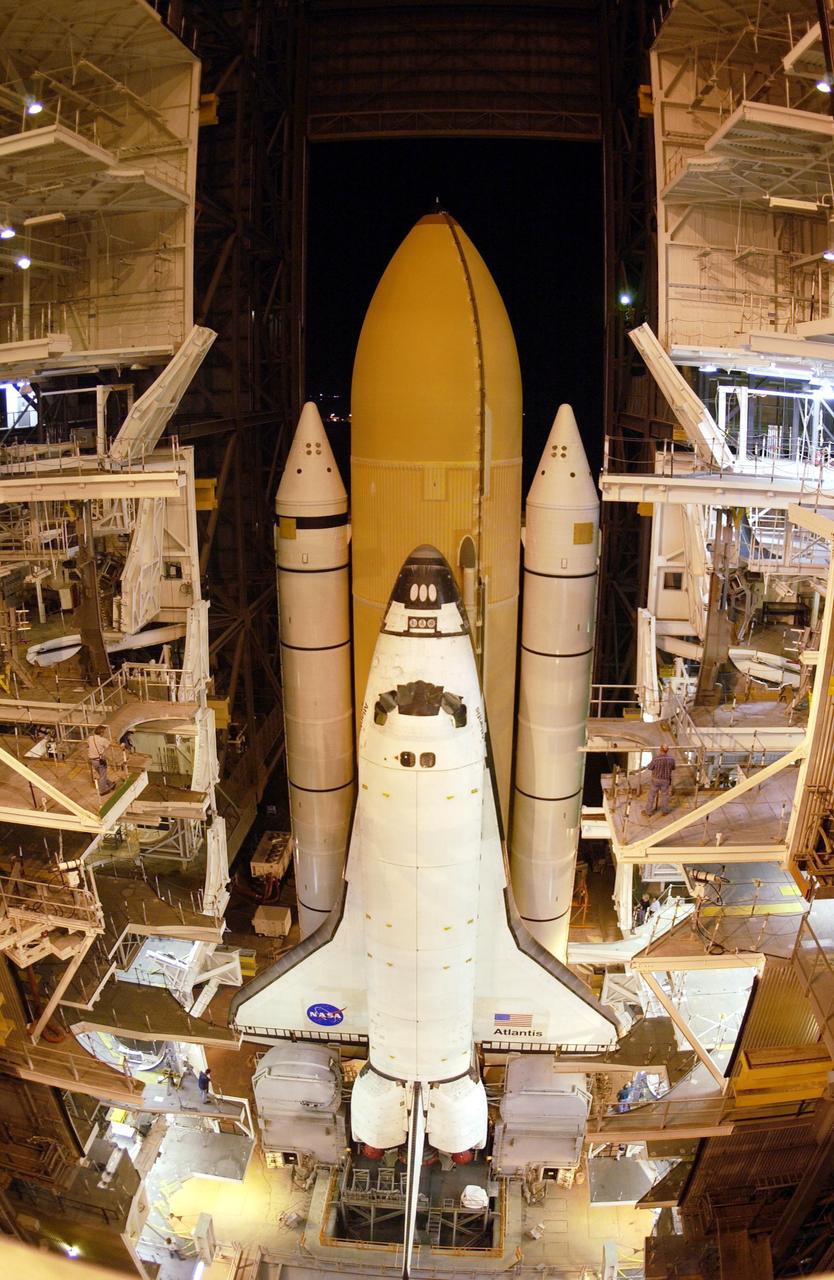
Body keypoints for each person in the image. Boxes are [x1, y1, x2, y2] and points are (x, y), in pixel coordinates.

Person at [643, 743, 676, 816]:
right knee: (665, 795)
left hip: (656, 780)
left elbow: (650, 767)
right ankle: (665, 811)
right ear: (667, 750)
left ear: (660, 749)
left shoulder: (656, 759)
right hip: (666, 780)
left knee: (651, 795)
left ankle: (648, 812)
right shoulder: (671, 759)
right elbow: (673, 768)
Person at [87, 724, 114, 796]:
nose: (104, 733)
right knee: (102, 775)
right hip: (100, 760)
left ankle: (110, 784)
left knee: (102, 774)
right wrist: (121, 745)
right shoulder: (102, 740)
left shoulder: (90, 738)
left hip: (92, 761)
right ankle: (103, 790)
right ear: (101, 732)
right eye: (103, 732)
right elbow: (110, 744)